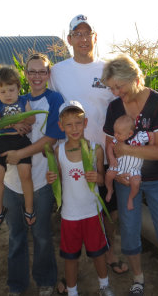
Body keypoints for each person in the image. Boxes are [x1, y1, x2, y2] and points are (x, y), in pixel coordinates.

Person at [49, 14, 129, 276]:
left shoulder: (107, 70)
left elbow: (123, 103)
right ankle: (70, 260)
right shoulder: (58, 71)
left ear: (95, 37)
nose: (84, 39)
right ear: (70, 39)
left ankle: (109, 252)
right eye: (78, 34)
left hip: (104, 151)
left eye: (88, 34)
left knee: (108, 207)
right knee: (72, 204)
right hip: (72, 153)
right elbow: (47, 102)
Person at [102, 54, 158, 296]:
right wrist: (115, 171)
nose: (116, 92)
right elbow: (109, 143)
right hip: (126, 179)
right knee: (128, 230)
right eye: (112, 88)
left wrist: (126, 149)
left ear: (135, 78)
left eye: (120, 86)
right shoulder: (114, 107)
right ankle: (138, 278)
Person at [1, 53, 66, 296]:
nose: (37, 76)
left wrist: (21, 154)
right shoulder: (16, 99)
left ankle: (45, 281)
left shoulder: (54, 99)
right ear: (25, 75)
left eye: (42, 71)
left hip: (40, 179)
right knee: (16, 236)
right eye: (32, 71)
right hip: (11, 181)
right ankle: (17, 285)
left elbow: (50, 139)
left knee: (41, 235)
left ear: (48, 75)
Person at [46, 100, 115, 296]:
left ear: (85, 123)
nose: (74, 128)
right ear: (61, 126)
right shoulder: (58, 151)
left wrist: (98, 177)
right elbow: (57, 179)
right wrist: (51, 178)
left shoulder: (96, 149)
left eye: (78, 123)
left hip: (93, 212)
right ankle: (72, 290)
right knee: (70, 257)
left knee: (99, 253)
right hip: (70, 215)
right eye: (68, 124)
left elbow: (102, 181)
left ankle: (104, 286)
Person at [0, 66, 36, 229]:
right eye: (3, 92)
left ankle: (29, 208)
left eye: (11, 90)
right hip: (2, 142)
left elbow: (32, 119)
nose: (7, 95)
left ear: (18, 88)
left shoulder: (24, 101)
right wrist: (10, 123)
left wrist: (20, 122)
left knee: (25, 174)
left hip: (20, 141)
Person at [105, 115, 154, 211]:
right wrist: (111, 158)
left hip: (134, 169)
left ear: (130, 133)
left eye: (118, 133)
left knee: (136, 183)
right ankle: (110, 189)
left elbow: (152, 135)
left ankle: (131, 198)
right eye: (115, 132)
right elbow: (110, 146)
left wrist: (150, 149)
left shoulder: (139, 137)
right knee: (108, 175)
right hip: (119, 165)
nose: (115, 135)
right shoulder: (117, 140)